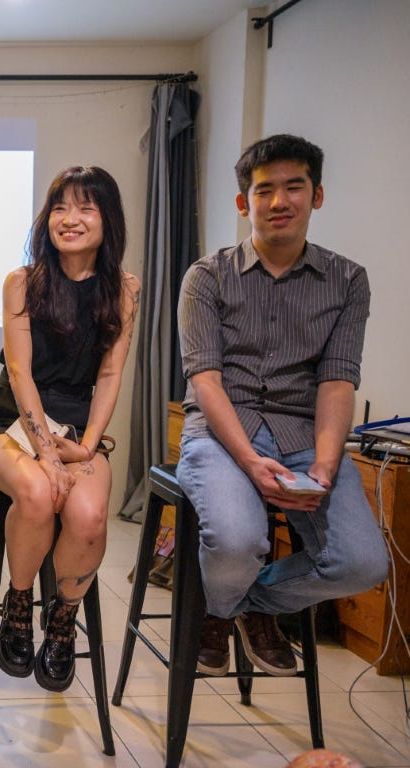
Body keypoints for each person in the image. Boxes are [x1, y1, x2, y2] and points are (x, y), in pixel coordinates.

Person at [176, 134, 387, 677]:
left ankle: (242, 607)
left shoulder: (347, 281)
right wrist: (249, 460)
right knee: (237, 540)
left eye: (295, 187)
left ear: (317, 196)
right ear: (244, 202)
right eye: (265, 190)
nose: (279, 202)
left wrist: (324, 464)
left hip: (304, 436)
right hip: (223, 432)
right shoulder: (207, 276)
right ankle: (227, 603)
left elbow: (338, 382)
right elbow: (206, 381)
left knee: (362, 563)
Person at [0, 166, 139, 691]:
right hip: (10, 419)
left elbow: (110, 373)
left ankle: (62, 620)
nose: (70, 219)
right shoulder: (23, 282)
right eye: (61, 207)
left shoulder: (125, 289)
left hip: (75, 427)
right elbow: (19, 372)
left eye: (86, 208)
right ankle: (18, 601)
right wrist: (46, 452)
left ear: (107, 219)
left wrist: (86, 445)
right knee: (39, 493)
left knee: (90, 516)